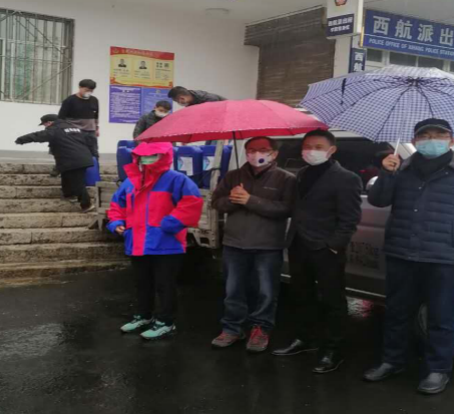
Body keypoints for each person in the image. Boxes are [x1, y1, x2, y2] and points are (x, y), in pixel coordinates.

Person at [364, 118, 454, 396]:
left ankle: (438, 369)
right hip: (402, 252)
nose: (431, 140)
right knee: (397, 312)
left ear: (452, 140)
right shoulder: (401, 169)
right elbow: (378, 200)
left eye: (439, 135)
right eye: (424, 135)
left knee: (442, 316)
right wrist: (386, 173)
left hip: (445, 256)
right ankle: (392, 360)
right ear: (415, 141)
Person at [272, 130, 363, 375]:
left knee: (333, 299)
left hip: (326, 249)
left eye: (318, 146)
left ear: (332, 150)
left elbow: (350, 218)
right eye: (307, 146)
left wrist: (333, 245)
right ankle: (305, 338)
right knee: (301, 295)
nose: (311, 150)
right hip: (299, 244)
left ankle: (333, 349)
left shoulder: (347, 178)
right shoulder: (302, 173)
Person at [108, 142, 204, 341]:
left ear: (164, 157)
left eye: (153, 156)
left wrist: (170, 223)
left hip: (167, 244)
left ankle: (166, 322)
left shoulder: (176, 179)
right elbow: (117, 204)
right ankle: (143, 316)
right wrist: (116, 223)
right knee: (142, 284)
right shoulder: (131, 182)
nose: (146, 160)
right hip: (137, 243)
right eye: (143, 156)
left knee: (165, 285)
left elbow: (192, 202)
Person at [211, 137, 296, 353]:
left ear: (274, 153)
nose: (256, 153)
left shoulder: (286, 179)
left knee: (266, 291)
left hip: (268, 245)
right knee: (233, 290)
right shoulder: (233, 176)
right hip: (234, 243)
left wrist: (251, 200)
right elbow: (217, 202)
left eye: (263, 149)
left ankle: (261, 329)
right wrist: (232, 199)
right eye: (251, 149)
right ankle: (232, 328)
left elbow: (287, 209)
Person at [15, 114, 98, 213]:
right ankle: (69, 195)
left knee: (77, 182)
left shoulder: (55, 129)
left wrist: (21, 140)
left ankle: (87, 205)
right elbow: (89, 141)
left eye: (44, 124)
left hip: (72, 159)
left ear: (49, 123)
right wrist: (93, 154)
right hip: (82, 158)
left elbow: (38, 135)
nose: (45, 127)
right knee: (66, 175)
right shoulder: (75, 128)